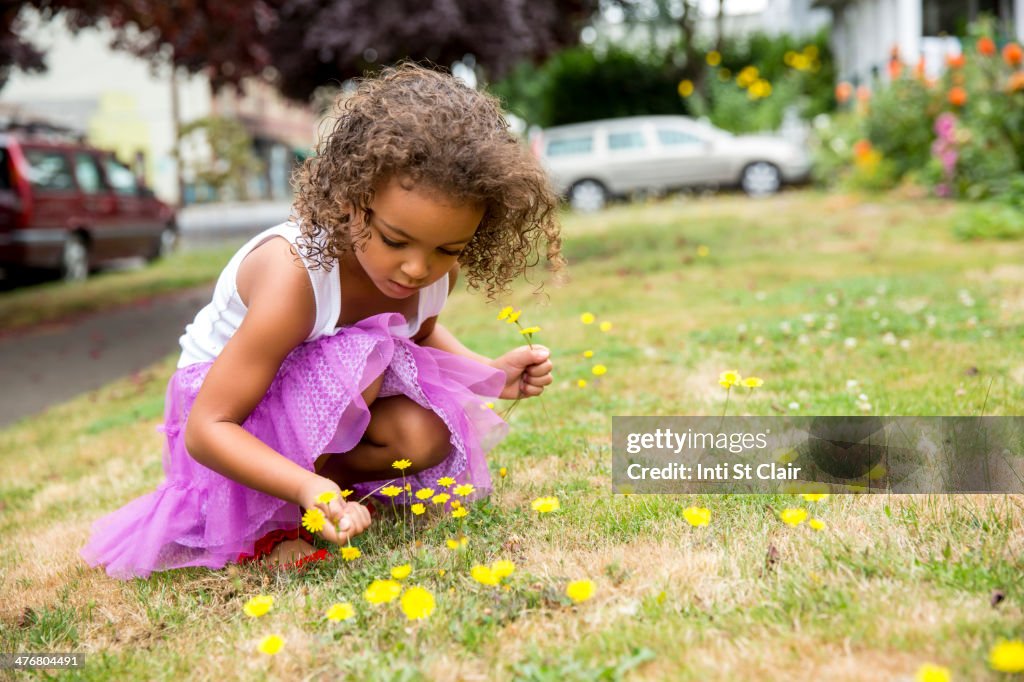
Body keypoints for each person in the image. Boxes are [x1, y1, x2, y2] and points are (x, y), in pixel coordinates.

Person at [81, 63, 562, 579]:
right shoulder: (296, 276)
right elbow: (207, 429)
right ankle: (276, 513)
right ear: (351, 203)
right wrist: (302, 487)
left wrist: (489, 373)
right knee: (363, 357)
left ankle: (332, 486)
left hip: (316, 407)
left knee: (427, 433)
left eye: (448, 248)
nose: (418, 268)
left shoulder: (430, 274)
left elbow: (419, 333)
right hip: (230, 421)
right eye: (396, 240)